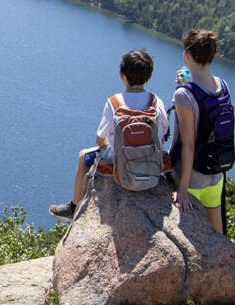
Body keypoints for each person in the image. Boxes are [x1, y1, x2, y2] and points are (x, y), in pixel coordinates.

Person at [49, 49, 169, 222]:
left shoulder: (115, 102)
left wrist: (109, 144)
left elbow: (100, 139)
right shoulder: (156, 102)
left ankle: (74, 207)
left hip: (119, 164)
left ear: (122, 75)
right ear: (149, 76)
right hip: (151, 162)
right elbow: (163, 134)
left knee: (83, 156)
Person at [171, 28, 228, 233]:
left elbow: (189, 144)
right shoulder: (223, 85)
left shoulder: (183, 95)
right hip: (215, 177)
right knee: (219, 239)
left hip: (192, 179)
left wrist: (182, 191)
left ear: (187, 55)